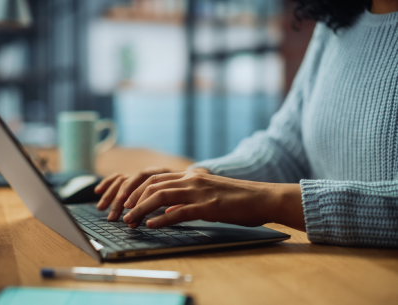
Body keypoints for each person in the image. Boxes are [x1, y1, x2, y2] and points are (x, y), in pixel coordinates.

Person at [94, 0, 398, 248]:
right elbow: (285, 147)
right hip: (327, 269)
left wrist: (270, 201)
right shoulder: (337, 22)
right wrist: (199, 179)